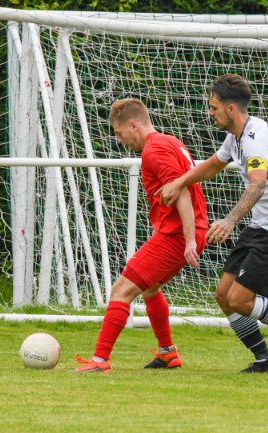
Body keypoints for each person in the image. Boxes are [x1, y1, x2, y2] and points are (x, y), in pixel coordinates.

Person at [158, 74, 268, 373]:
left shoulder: (254, 139)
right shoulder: (235, 136)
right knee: (224, 295)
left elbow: (257, 186)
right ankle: (265, 361)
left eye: (214, 108)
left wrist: (230, 220)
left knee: (239, 299)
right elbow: (213, 165)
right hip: (260, 228)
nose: (210, 113)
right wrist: (179, 182)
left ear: (231, 108)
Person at [74, 98, 208, 372]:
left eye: (120, 133)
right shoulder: (170, 141)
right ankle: (167, 353)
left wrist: (189, 239)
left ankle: (99, 360)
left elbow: (180, 191)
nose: (120, 139)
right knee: (149, 288)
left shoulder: (153, 150)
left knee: (121, 290)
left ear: (134, 125)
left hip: (177, 235)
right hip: (184, 231)